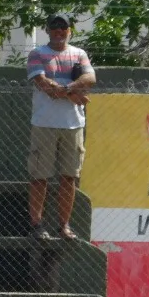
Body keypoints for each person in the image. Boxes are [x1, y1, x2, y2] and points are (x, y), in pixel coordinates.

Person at [27, 12, 95, 241]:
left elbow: (90, 79)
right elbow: (44, 85)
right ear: (47, 30)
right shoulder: (37, 54)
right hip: (44, 124)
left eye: (63, 27)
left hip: (73, 125)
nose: (59, 31)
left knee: (69, 177)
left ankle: (64, 226)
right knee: (40, 177)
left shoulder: (79, 54)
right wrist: (74, 93)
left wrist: (66, 90)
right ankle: (36, 224)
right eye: (54, 27)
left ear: (69, 30)